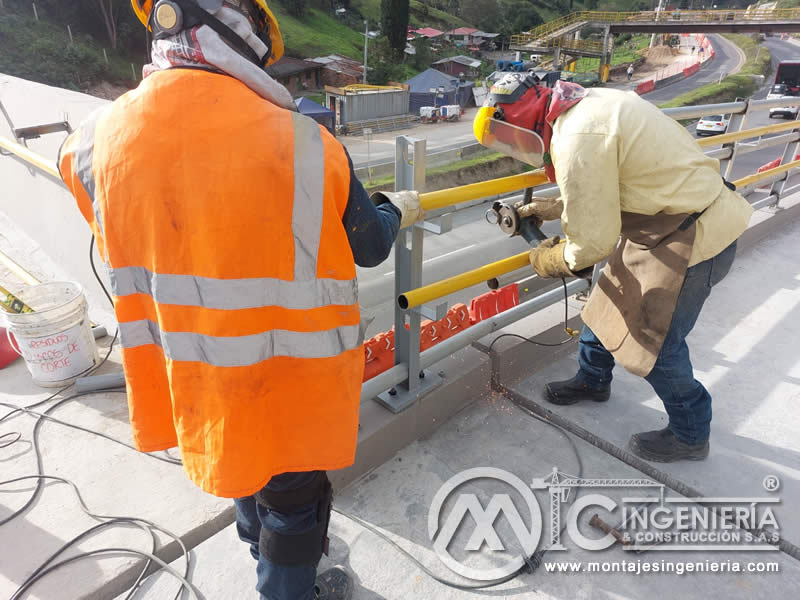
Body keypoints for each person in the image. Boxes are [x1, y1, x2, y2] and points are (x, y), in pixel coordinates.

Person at [57, 1, 422, 599]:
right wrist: (395, 207)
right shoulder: (305, 140)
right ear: (247, 44)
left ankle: (258, 552)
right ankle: (283, 586)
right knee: (295, 512)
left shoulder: (90, 144)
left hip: (190, 376)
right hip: (287, 380)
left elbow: (130, 242)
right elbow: (371, 245)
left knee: (242, 471)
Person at [473, 73, 753, 463]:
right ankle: (593, 380)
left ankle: (690, 432)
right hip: (664, 224)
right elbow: (610, 182)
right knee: (603, 305)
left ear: (531, 125)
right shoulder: (585, 104)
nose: (518, 148)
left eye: (516, 139)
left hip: (694, 239)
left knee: (656, 344)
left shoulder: (576, 139)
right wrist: (556, 207)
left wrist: (548, 258)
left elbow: (591, 245)